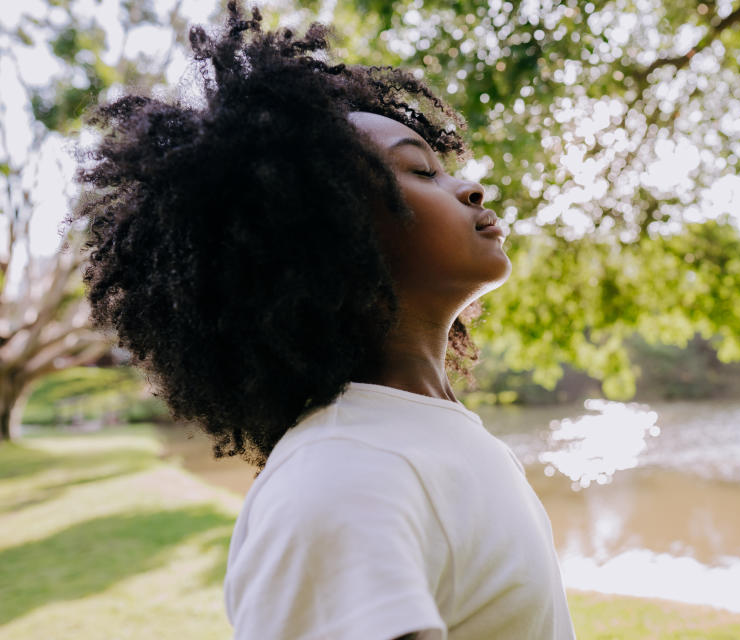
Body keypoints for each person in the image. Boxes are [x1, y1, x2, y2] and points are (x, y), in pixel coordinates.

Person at [69, 2, 576, 638]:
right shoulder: (346, 475)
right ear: (331, 234)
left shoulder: (418, 439)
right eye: (420, 171)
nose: (470, 188)